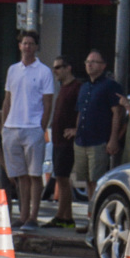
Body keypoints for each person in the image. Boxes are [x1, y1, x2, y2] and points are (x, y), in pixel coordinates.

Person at [1, 30, 54, 231]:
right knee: (20, 176)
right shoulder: (13, 70)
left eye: (31, 43)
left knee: (34, 175)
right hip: (13, 127)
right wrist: (5, 125)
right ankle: (22, 216)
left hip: (33, 128)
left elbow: (48, 102)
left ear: (36, 46)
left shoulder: (44, 72)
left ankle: (33, 216)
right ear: (20, 45)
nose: (27, 47)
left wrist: (41, 127)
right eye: (24, 43)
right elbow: (7, 99)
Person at [73, 49, 124, 219]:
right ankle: (91, 216)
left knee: (97, 181)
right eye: (88, 61)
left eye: (94, 62)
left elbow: (117, 112)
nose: (89, 65)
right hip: (82, 140)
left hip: (99, 140)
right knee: (87, 181)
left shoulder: (110, 86)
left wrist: (113, 139)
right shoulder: (84, 86)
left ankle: (99, 216)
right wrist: (76, 131)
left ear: (103, 66)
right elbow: (80, 112)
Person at [43, 56, 81, 229]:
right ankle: (67, 217)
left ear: (68, 68)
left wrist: (76, 129)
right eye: (54, 68)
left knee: (62, 178)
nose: (55, 71)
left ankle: (61, 216)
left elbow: (81, 111)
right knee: (61, 178)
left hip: (67, 141)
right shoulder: (63, 88)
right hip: (57, 140)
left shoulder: (76, 87)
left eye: (58, 67)